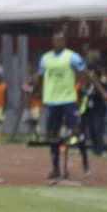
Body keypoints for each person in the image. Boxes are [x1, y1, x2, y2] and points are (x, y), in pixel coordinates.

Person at [36, 30, 89, 180]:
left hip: (68, 100)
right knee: (53, 134)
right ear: (53, 41)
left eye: (61, 40)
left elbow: (84, 72)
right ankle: (55, 168)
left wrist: (90, 87)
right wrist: (34, 92)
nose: (58, 42)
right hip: (52, 101)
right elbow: (40, 78)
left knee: (76, 130)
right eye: (56, 40)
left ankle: (85, 160)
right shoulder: (45, 58)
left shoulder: (72, 56)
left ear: (65, 42)